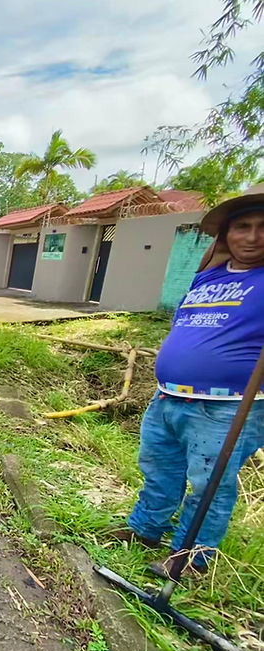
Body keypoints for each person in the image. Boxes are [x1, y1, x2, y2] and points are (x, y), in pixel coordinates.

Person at [112, 184, 264, 577]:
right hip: (169, 399)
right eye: (242, 226)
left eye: (263, 227)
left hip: (228, 406)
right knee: (160, 469)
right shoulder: (208, 278)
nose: (252, 236)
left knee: (209, 485)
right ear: (226, 234)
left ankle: (188, 559)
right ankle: (145, 530)